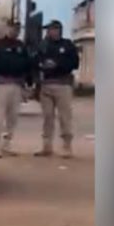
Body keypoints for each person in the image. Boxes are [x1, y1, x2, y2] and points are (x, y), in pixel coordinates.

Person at [35, 20, 80, 158]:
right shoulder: (43, 45)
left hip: (63, 84)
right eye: (48, 30)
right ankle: (46, 146)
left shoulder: (67, 45)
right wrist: (42, 65)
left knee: (64, 117)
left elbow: (75, 63)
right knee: (47, 116)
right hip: (46, 85)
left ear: (58, 30)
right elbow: (35, 61)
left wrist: (57, 64)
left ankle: (67, 146)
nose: (49, 32)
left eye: (51, 29)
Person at [0, 21, 31, 157]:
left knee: (13, 117)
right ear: (7, 29)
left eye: (17, 29)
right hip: (1, 84)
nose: (15, 31)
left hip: (17, 84)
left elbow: (27, 65)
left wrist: (28, 83)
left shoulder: (21, 46)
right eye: (12, 28)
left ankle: (7, 144)